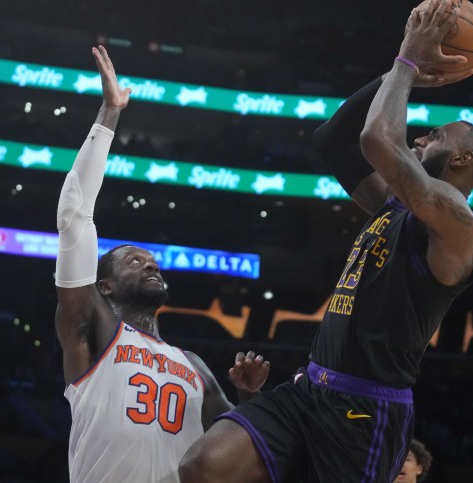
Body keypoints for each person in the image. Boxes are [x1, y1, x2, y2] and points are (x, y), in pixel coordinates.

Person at [179, 1, 473, 481]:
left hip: (366, 410)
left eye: (435, 136)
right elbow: (332, 139)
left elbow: (377, 140)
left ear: (463, 158)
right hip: (310, 387)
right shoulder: (394, 203)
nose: (422, 138)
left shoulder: (457, 223)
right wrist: (399, 71)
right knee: (203, 466)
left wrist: (408, 59)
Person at [54, 45, 270, 483]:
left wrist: (248, 397)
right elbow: (74, 213)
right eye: (135, 261)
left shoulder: (194, 366)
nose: (152, 266)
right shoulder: (92, 329)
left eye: (154, 262)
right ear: (106, 286)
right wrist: (110, 113)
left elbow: (241, 452)